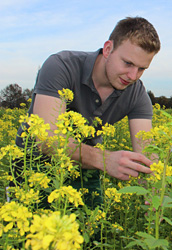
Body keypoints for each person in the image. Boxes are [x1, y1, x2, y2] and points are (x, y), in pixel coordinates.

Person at [14, 17, 161, 206]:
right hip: (33, 166)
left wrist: (155, 194)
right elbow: (46, 139)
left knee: (91, 232)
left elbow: (147, 152)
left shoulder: (137, 94)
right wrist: (105, 159)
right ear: (108, 49)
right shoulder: (61, 66)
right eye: (127, 63)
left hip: (86, 169)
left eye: (142, 69)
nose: (133, 76)